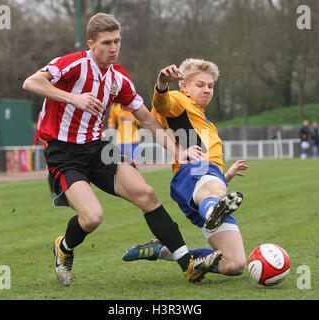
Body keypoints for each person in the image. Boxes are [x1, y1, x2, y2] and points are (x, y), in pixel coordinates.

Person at [22, 13, 222, 286]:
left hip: (98, 148)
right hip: (64, 152)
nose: (113, 48)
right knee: (92, 218)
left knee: (147, 195)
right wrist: (74, 98)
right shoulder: (72, 64)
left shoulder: (119, 78)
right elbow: (31, 82)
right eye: (106, 43)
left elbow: (147, 118)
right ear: (91, 43)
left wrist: (178, 152)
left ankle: (187, 264)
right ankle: (64, 247)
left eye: (117, 41)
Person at [123, 59, 248, 278]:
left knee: (235, 264)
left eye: (210, 86)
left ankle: (169, 251)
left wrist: (225, 177)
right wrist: (162, 83)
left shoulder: (203, 119)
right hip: (194, 172)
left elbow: (209, 181)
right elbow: (162, 105)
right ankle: (213, 209)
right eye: (200, 85)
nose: (207, 90)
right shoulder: (180, 101)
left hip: (203, 186)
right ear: (184, 87)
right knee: (210, 185)